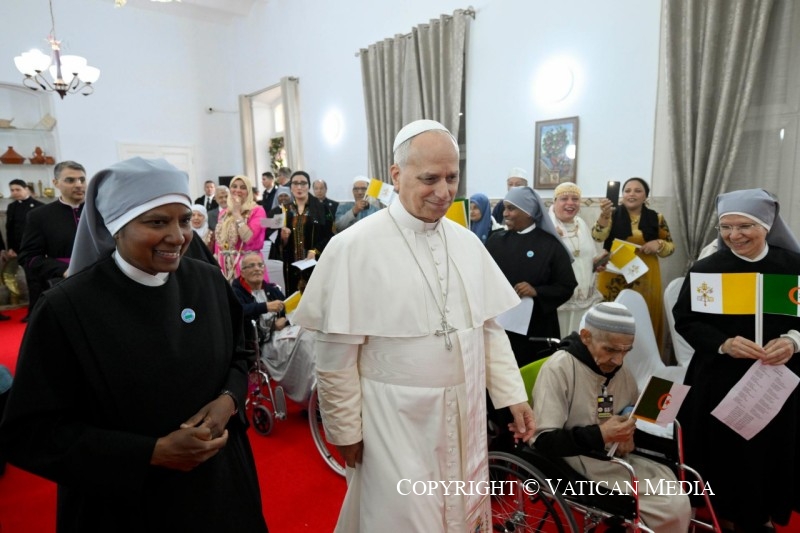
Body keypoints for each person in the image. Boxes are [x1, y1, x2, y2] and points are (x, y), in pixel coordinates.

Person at [0, 157, 268, 532]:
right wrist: (150, 454)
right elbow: (32, 432)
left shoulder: (208, 281)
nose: (178, 236)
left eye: (184, 220)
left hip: (220, 488)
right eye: (156, 222)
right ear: (116, 226)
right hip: (125, 506)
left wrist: (229, 399)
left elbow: (241, 353)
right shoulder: (67, 307)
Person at [294, 119, 535, 532]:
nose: (444, 192)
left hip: (465, 412)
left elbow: (488, 330)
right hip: (394, 420)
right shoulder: (353, 246)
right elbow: (335, 355)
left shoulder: (467, 243)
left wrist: (513, 395)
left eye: (452, 178)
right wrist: (345, 429)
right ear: (396, 174)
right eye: (429, 179)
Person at [673, 189, 800, 532]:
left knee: (772, 451)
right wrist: (723, 343)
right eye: (726, 227)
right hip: (720, 379)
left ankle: (769, 513)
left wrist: (793, 340)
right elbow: (686, 320)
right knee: (726, 454)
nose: (734, 235)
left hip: (779, 381)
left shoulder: (793, 267)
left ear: (767, 226)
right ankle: (724, 516)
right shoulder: (708, 270)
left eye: (745, 226)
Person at [533, 302, 691, 532]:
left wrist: (629, 426)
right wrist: (601, 434)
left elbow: (627, 408)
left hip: (613, 455)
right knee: (671, 506)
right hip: (576, 462)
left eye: (626, 351)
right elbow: (543, 441)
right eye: (610, 350)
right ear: (586, 337)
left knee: (674, 484)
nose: (618, 360)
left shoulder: (618, 369)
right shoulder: (559, 368)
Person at [486, 186, 577, 366]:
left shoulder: (550, 245)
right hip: (499, 327)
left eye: (511, 208)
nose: (505, 213)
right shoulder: (495, 241)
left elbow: (566, 285)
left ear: (528, 212)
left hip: (536, 329)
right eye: (504, 208)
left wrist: (537, 291)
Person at [593, 177, 674, 349]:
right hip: (614, 275)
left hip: (645, 277)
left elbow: (670, 248)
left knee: (643, 317)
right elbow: (597, 236)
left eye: (638, 191)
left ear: (645, 196)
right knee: (611, 319)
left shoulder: (657, 218)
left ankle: (646, 360)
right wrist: (604, 215)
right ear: (622, 195)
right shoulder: (611, 215)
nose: (632, 194)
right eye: (627, 190)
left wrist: (659, 244)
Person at [232, 251, 316, 404]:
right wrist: (265, 307)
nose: (257, 269)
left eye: (260, 265)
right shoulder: (236, 292)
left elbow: (287, 310)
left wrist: (285, 320)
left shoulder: (271, 289)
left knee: (311, 336)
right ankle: (308, 395)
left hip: (281, 334)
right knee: (305, 343)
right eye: (251, 266)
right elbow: (238, 311)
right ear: (242, 272)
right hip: (261, 343)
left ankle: (314, 390)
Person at [17, 161, 86, 317]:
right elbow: (29, 257)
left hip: (100, 282)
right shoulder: (39, 216)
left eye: (82, 179)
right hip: (64, 286)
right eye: (70, 180)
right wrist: (64, 270)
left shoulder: (100, 210)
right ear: (56, 183)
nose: (79, 184)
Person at [548, 182, 605, 337]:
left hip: (584, 297)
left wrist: (596, 263)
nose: (570, 203)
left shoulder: (581, 223)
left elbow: (588, 255)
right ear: (554, 202)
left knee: (580, 338)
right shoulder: (547, 228)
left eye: (575, 199)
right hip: (561, 301)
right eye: (564, 199)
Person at [274, 171, 332, 294]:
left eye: (303, 183)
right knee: (294, 297)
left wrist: (315, 250)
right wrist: (283, 238)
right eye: (295, 183)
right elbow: (277, 240)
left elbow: (329, 235)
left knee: (315, 296)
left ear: (308, 186)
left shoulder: (322, 208)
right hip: (292, 265)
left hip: (315, 263)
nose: (299, 187)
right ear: (290, 187)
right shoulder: (284, 210)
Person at [213, 174, 267, 281]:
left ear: (249, 191)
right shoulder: (224, 213)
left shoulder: (258, 211)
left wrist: (237, 214)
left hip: (248, 264)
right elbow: (219, 242)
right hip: (225, 265)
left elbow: (249, 238)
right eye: (234, 186)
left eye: (243, 187)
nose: (237, 190)